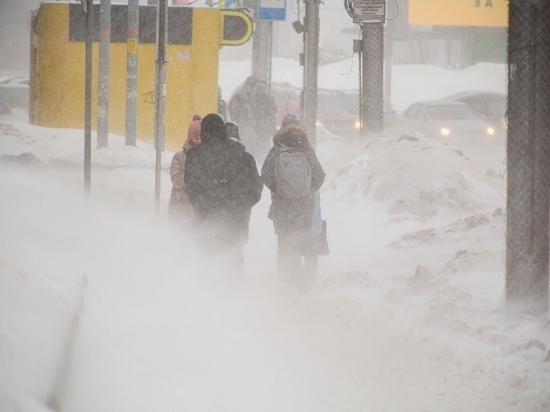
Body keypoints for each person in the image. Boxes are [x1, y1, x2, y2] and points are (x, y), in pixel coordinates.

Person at [184, 113, 263, 275]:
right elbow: (255, 188)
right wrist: (240, 205)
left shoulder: (194, 156)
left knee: (207, 264)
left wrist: (202, 206)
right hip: (234, 220)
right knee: (233, 261)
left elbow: (191, 188)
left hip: (205, 219)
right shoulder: (241, 154)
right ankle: (234, 295)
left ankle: (207, 297)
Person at [260, 114, 326, 293]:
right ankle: (304, 281)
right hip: (304, 206)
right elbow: (320, 175)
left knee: (284, 242)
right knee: (300, 240)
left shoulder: (277, 148)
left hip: (282, 205)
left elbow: (265, 174)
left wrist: (278, 189)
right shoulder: (305, 148)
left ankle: (286, 282)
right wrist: (307, 191)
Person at [168, 114, 202, 226]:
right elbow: (177, 181)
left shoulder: (207, 158)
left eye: (202, 138)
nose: (199, 142)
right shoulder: (179, 157)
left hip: (197, 211)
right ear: (190, 138)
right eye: (196, 138)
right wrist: (193, 170)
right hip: (180, 209)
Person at [250, 80, 278, 162]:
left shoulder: (254, 99)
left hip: (257, 126)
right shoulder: (269, 98)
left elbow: (252, 112)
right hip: (267, 127)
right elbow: (274, 110)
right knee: (265, 143)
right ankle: (265, 158)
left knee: (258, 142)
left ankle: (258, 157)